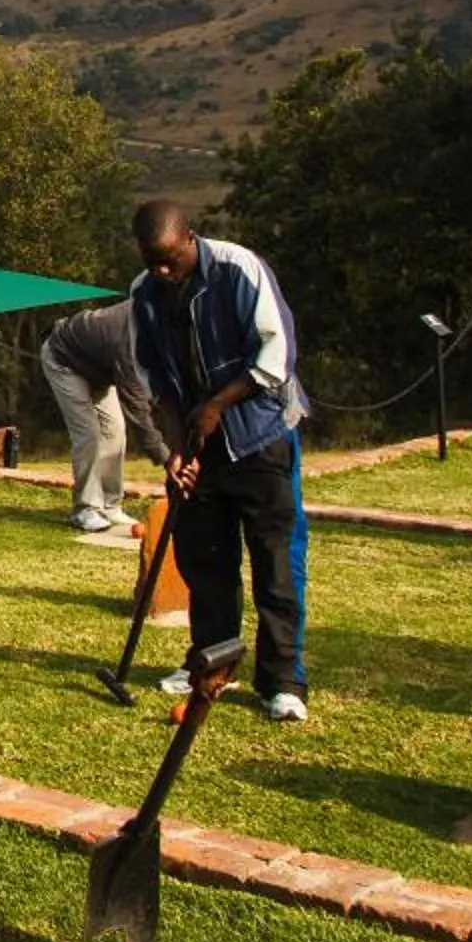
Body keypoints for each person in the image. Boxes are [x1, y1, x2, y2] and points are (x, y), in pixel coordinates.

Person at [127, 200, 312, 723]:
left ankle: (283, 681)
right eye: (150, 260)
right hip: (200, 448)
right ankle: (210, 666)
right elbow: (153, 380)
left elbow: (277, 356)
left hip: (261, 438)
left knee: (276, 562)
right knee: (206, 562)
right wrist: (175, 449)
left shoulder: (238, 268)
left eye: (169, 259)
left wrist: (216, 405)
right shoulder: (143, 294)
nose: (161, 271)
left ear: (190, 238)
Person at [41, 301, 161, 533]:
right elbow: (136, 406)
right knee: (88, 434)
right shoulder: (126, 341)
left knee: (115, 431)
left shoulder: (158, 324)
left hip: (97, 369)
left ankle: (109, 505)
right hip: (63, 359)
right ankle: (84, 508)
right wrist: (162, 454)